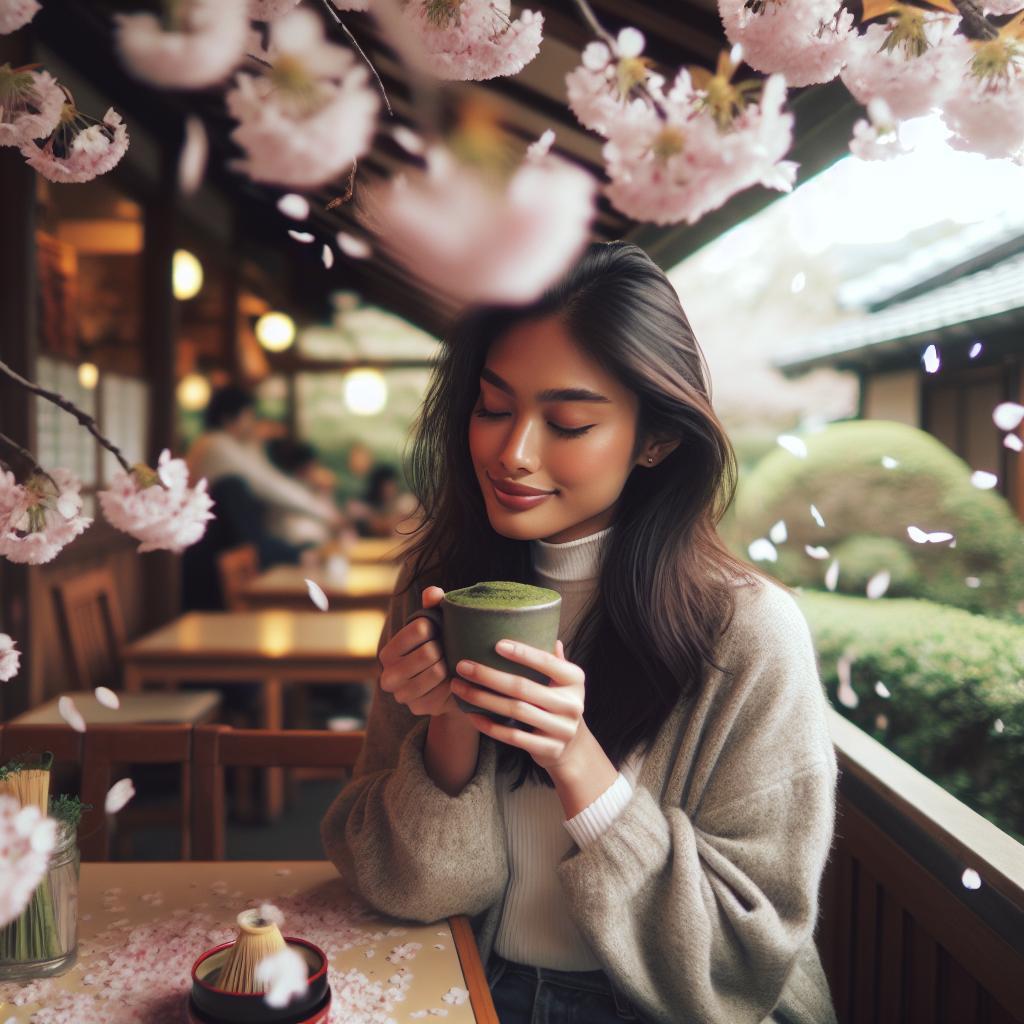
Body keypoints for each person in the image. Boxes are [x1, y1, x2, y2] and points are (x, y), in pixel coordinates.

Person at [321, 242, 837, 1024]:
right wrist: (449, 722)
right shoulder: (437, 595)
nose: (512, 452)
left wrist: (576, 760)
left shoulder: (748, 632)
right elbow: (415, 892)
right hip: (465, 982)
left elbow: (741, 959)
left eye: (567, 422)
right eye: (493, 408)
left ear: (657, 440)